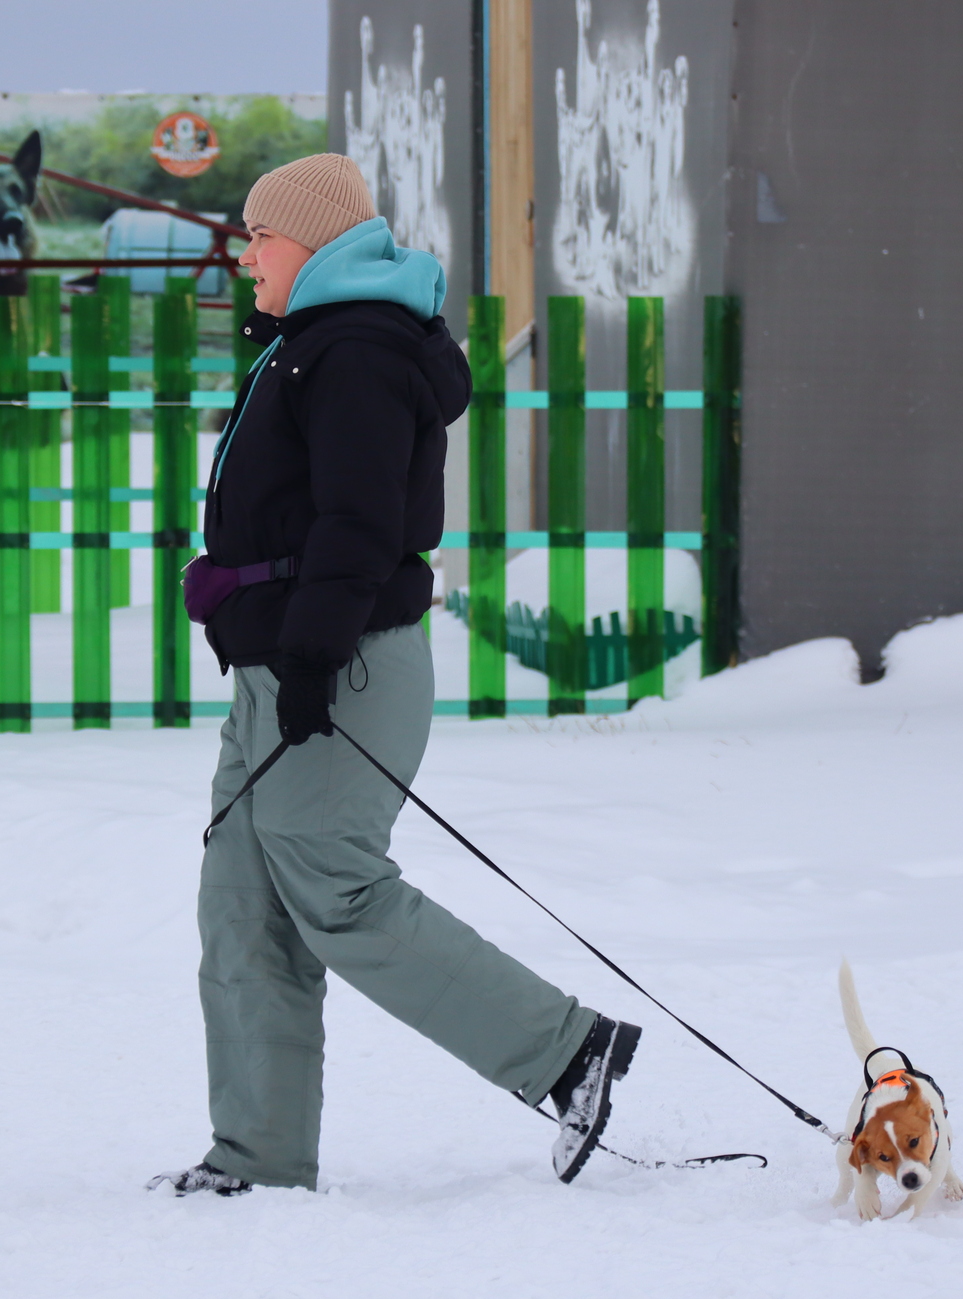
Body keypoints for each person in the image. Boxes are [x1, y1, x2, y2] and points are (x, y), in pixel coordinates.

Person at [150, 154, 639, 1197]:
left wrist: (316, 655)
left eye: (259, 237)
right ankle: (257, 1157)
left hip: (341, 664)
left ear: (315, 242)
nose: (245, 257)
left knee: (333, 888)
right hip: (279, 666)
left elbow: (360, 523)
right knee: (244, 904)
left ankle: (564, 1051)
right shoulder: (311, 346)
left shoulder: (358, 352)